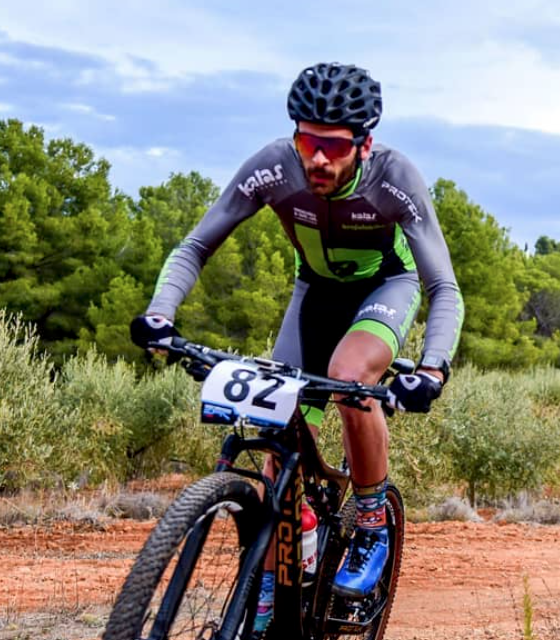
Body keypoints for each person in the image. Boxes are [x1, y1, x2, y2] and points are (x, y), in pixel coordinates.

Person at [129, 63, 464, 634]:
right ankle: (282, 555)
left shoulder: (396, 178)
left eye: (334, 147)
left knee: (350, 376)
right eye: (308, 143)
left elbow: (443, 286)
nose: (318, 161)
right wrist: (161, 313)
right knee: (276, 429)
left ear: (364, 144)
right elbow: (196, 245)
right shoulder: (272, 167)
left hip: (386, 288)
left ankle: (371, 523)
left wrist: (432, 368)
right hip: (314, 295)